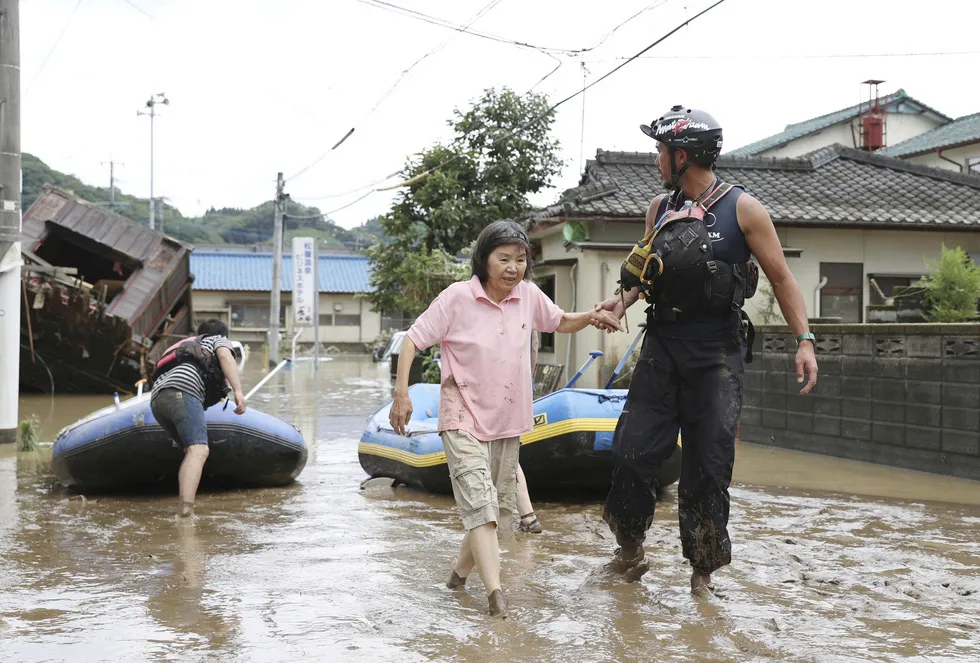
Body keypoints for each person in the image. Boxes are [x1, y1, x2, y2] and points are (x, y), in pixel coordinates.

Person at [590, 106, 818, 594]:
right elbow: (644, 271)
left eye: (660, 151)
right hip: (662, 347)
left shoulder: (744, 210)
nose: (656, 160)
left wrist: (805, 340)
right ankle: (629, 552)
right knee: (631, 454)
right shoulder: (659, 209)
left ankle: (702, 576)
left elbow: (781, 278)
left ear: (683, 156)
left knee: (708, 468)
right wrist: (619, 301)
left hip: (717, 353)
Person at [390, 220, 621, 617]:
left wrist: (593, 315)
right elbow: (413, 338)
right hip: (460, 410)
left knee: (492, 507)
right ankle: (496, 597)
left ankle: (457, 579)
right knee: (481, 504)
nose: (513, 267)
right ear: (485, 260)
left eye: (520, 259)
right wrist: (401, 393)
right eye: (504, 259)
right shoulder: (458, 297)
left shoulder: (529, 295)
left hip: (508, 417)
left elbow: (560, 320)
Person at [150, 319, 247, 517]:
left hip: (157, 398)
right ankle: (185, 513)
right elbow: (224, 356)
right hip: (183, 391)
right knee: (199, 450)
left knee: (190, 450)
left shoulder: (187, 347)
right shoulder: (218, 340)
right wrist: (238, 390)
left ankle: (185, 506)